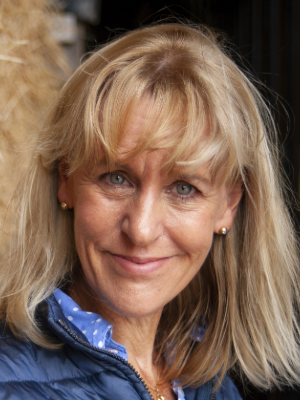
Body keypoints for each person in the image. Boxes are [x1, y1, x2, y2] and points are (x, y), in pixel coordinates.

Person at [0, 22, 299, 400]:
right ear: (66, 181)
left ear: (228, 206)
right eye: (116, 178)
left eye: (184, 188)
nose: (140, 230)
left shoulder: (212, 386)